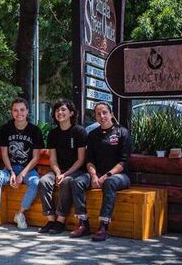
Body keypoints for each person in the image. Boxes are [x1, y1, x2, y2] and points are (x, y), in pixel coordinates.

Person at [69, 102, 132, 241]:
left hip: (119, 175)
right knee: (77, 182)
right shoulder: (92, 135)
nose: (102, 116)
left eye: (104, 112)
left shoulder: (122, 132)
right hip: (96, 173)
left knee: (109, 183)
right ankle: (83, 223)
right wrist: (93, 175)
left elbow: (124, 161)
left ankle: (103, 226)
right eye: (98, 114)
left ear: (111, 114)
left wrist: (105, 176)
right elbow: (89, 160)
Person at [0, 98, 44, 232]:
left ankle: (20, 214)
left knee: (36, 182)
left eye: (22, 110)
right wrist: (12, 172)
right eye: (15, 110)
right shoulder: (6, 129)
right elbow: (4, 154)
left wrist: (22, 174)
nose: (19, 113)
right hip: (10, 169)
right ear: (12, 112)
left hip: (28, 170)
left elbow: (36, 158)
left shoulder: (35, 131)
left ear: (27, 112)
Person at [37, 100, 87, 235]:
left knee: (66, 181)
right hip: (59, 170)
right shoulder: (53, 134)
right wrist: (58, 172)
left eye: (63, 110)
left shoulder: (79, 131)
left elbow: (81, 159)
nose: (60, 112)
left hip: (77, 171)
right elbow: (52, 159)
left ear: (71, 113)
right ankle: (51, 219)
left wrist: (65, 175)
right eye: (57, 110)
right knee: (43, 181)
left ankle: (60, 220)